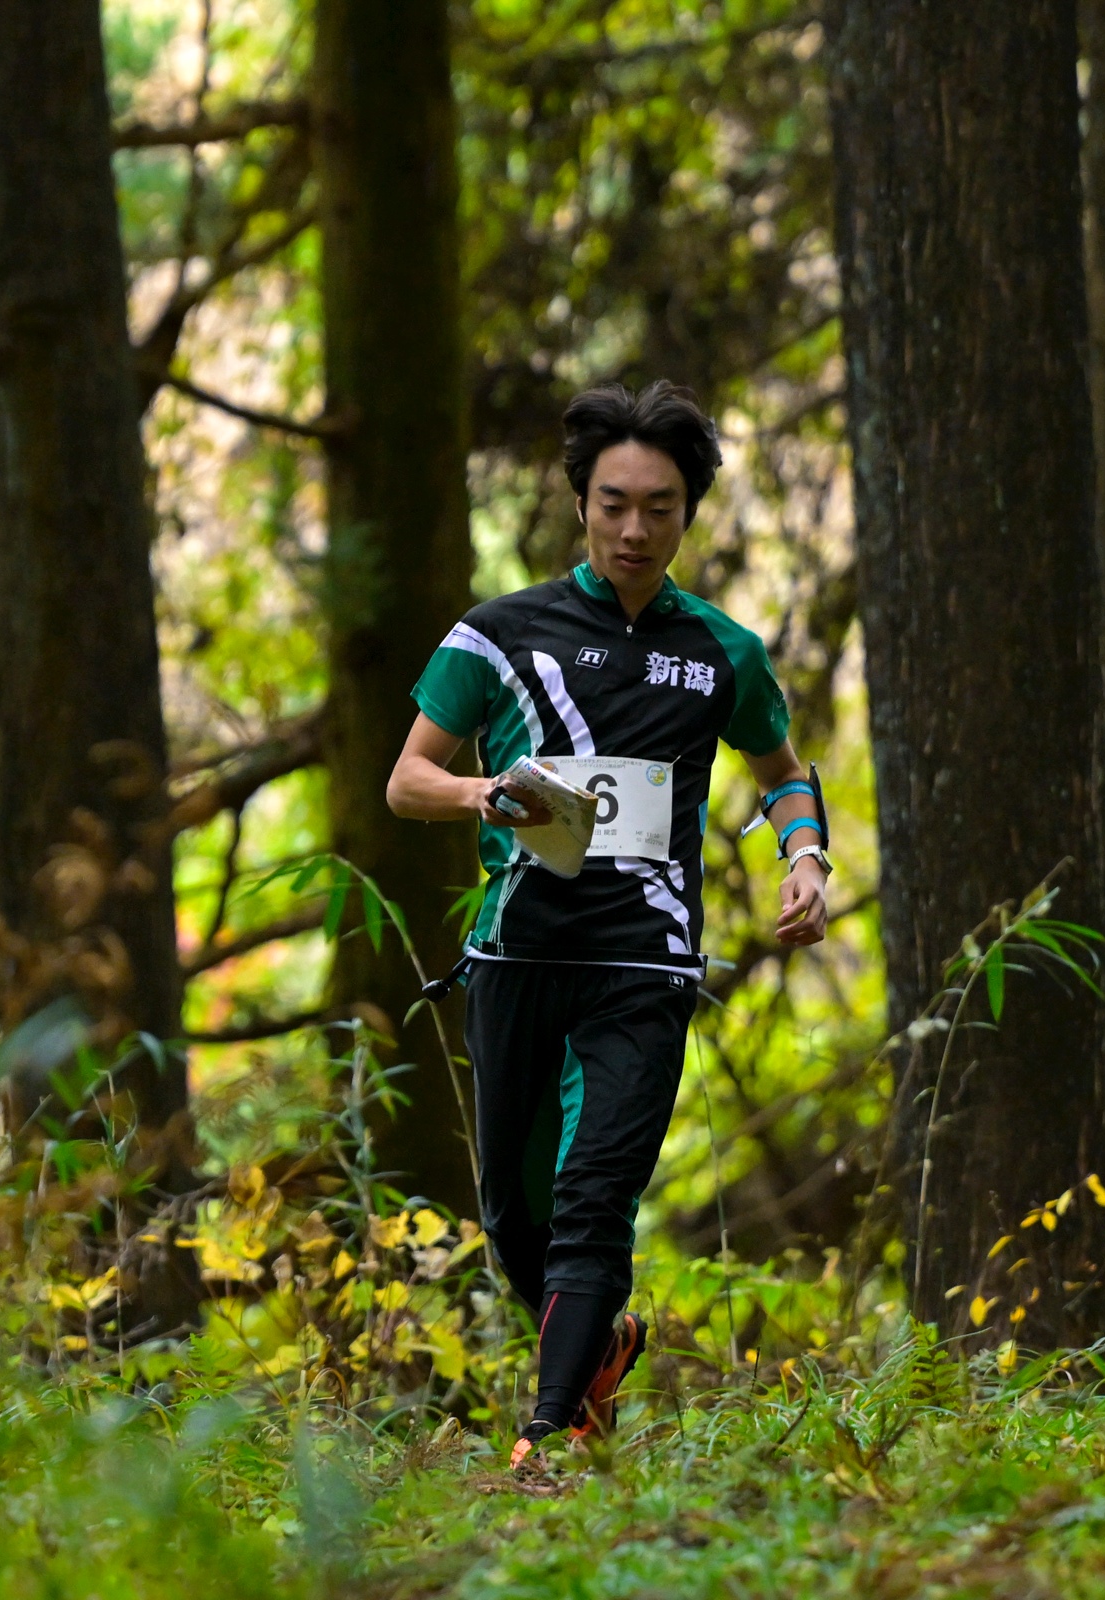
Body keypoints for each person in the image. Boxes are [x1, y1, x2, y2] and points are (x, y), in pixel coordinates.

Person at [386, 380, 832, 1468]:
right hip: (516, 954)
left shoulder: (722, 651)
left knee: (597, 1201)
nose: (635, 528)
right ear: (581, 502)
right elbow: (406, 780)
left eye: (660, 508)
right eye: (615, 504)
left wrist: (806, 858)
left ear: (689, 513)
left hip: (644, 963)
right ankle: (604, 1342)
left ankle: (547, 1438)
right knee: (514, 1215)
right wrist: (483, 793)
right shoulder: (498, 636)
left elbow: (783, 773)